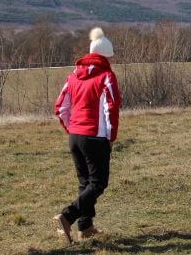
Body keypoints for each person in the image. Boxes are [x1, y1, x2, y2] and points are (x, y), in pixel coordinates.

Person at [53, 27, 121, 243]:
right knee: (98, 183)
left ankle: (86, 226)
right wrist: (110, 137)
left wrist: (71, 128)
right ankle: (68, 216)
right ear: (105, 56)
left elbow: (60, 108)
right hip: (95, 136)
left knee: (85, 183)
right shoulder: (106, 76)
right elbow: (111, 109)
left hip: (75, 135)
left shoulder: (73, 76)